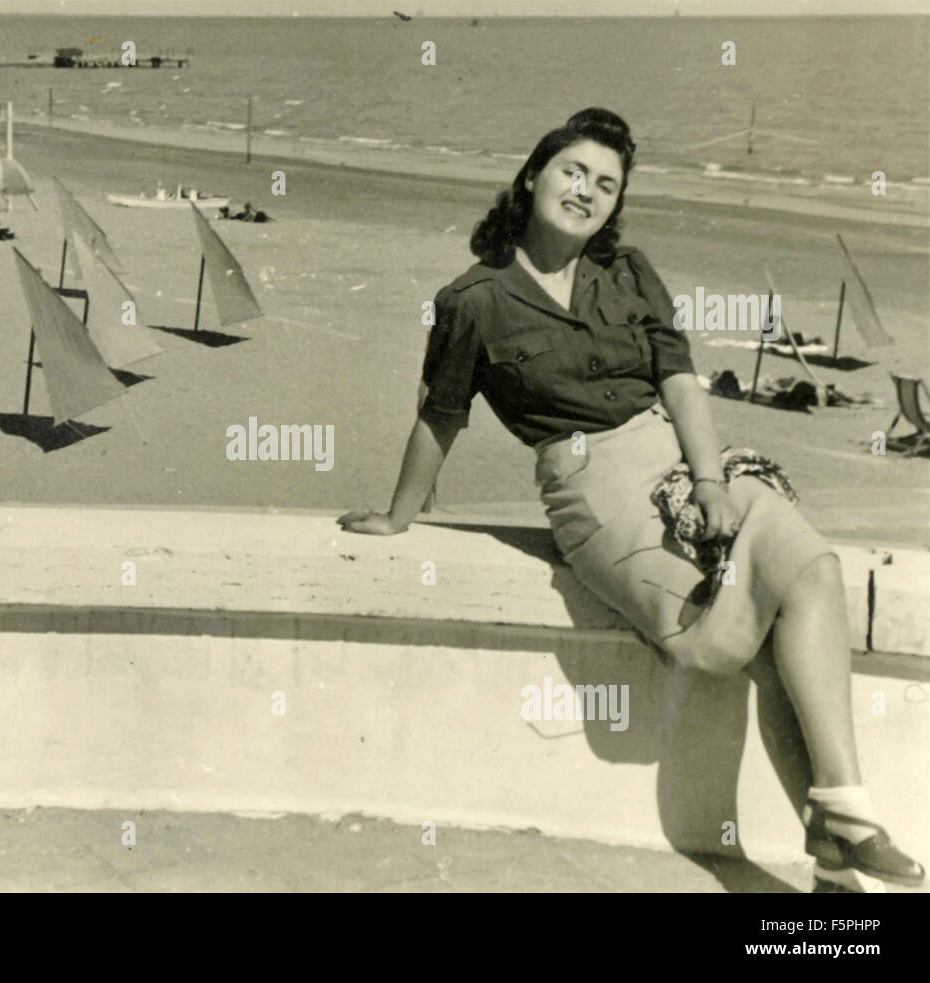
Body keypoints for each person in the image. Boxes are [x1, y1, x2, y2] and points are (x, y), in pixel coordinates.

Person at [337, 107, 923, 894]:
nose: (587, 191)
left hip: (684, 457)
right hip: (590, 485)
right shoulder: (472, 299)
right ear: (532, 176)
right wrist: (398, 515)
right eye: (574, 171)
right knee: (737, 637)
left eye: (606, 184)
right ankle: (835, 866)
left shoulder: (630, 271)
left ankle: (843, 816)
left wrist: (712, 477)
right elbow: (442, 414)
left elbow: (679, 377)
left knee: (809, 567)